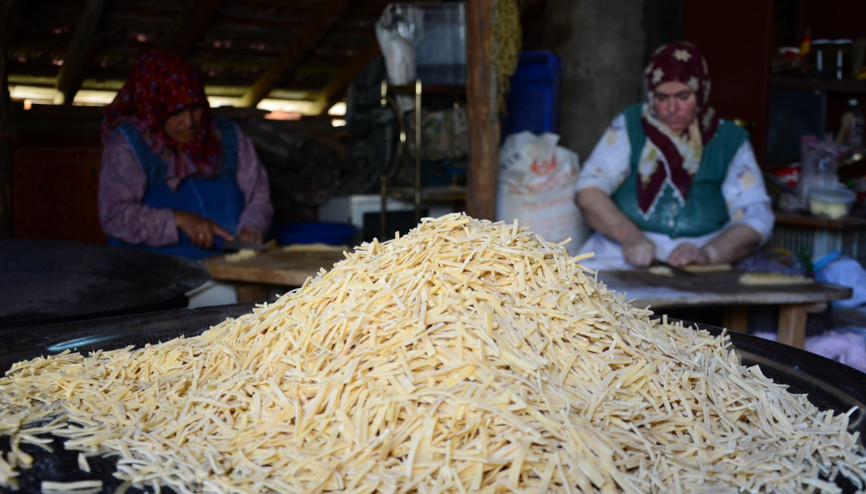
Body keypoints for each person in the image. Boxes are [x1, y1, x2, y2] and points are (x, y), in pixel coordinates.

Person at [574, 42, 774, 270]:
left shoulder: (728, 139)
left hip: (700, 261)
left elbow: (757, 216)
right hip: (620, 252)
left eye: (683, 96)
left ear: (701, 92)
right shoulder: (630, 126)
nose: (671, 109)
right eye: (661, 97)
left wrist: (709, 253)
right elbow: (589, 191)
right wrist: (630, 238)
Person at [98, 50, 273, 261]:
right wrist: (179, 220)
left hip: (229, 263)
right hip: (154, 270)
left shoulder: (227, 135)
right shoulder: (127, 146)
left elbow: (258, 195)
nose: (189, 122)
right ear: (153, 108)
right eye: (175, 113)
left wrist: (252, 227)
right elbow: (114, 216)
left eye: (195, 108)